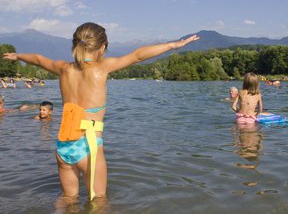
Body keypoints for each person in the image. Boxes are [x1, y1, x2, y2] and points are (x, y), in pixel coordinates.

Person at [3, 22, 199, 201]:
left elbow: (37, 59)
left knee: (67, 200)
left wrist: (17, 56)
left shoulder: (63, 68)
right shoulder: (102, 67)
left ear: (75, 45)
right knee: (99, 203)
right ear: (102, 47)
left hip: (63, 146)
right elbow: (138, 55)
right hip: (89, 147)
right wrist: (173, 45)